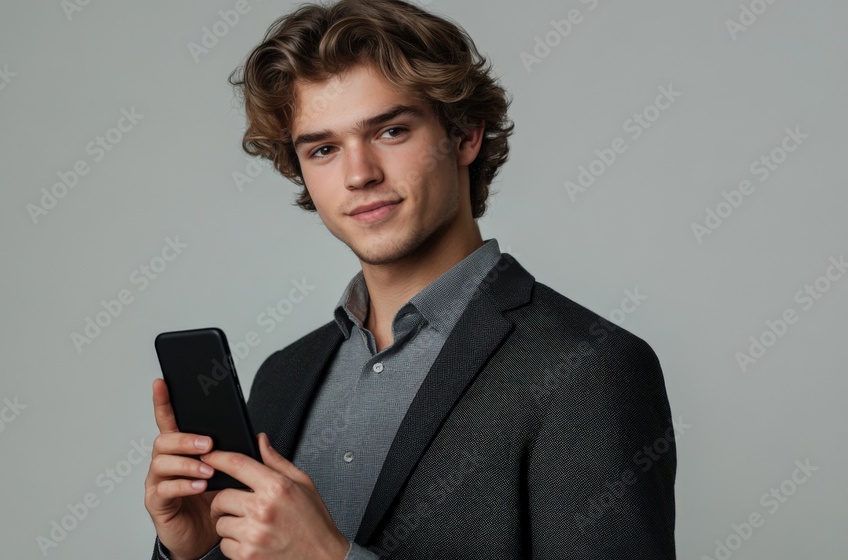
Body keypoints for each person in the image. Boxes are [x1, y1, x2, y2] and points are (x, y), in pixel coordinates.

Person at [145, 1, 677, 558]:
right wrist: (195, 551)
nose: (359, 174)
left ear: (465, 135)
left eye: (391, 131)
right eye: (324, 149)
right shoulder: (282, 376)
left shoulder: (591, 367)